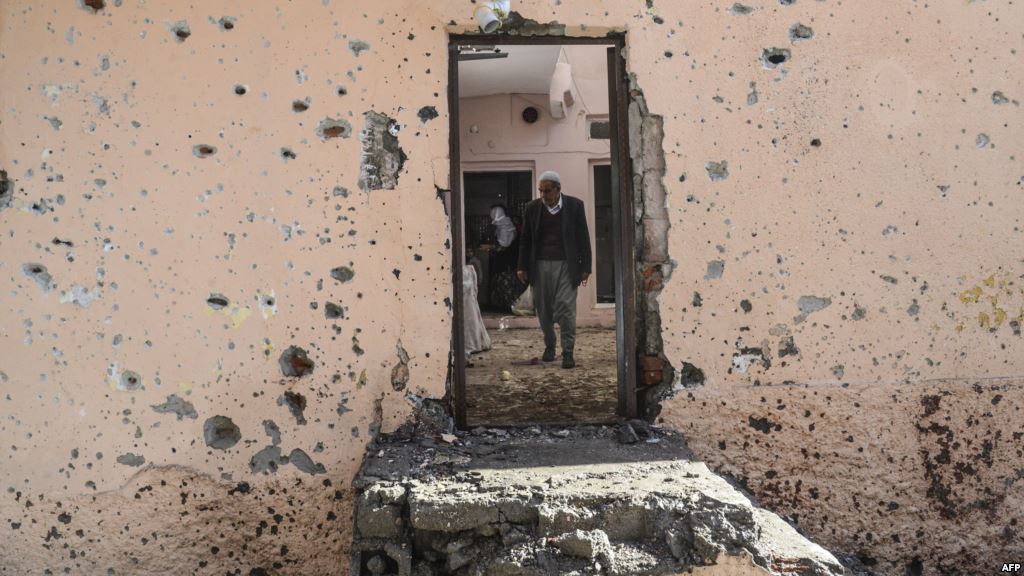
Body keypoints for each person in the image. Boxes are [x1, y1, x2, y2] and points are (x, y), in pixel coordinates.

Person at [516, 171, 591, 369]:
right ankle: (550, 345)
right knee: (544, 310)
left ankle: (568, 352)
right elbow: (525, 240)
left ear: (558, 189)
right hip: (539, 265)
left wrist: (586, 267)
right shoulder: (533, 208)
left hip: (567, 265)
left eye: (547, 191)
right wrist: (522, 266)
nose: (543, 195)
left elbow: (583, 237)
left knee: (566, 308)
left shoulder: (575, 206)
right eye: (541, 191)